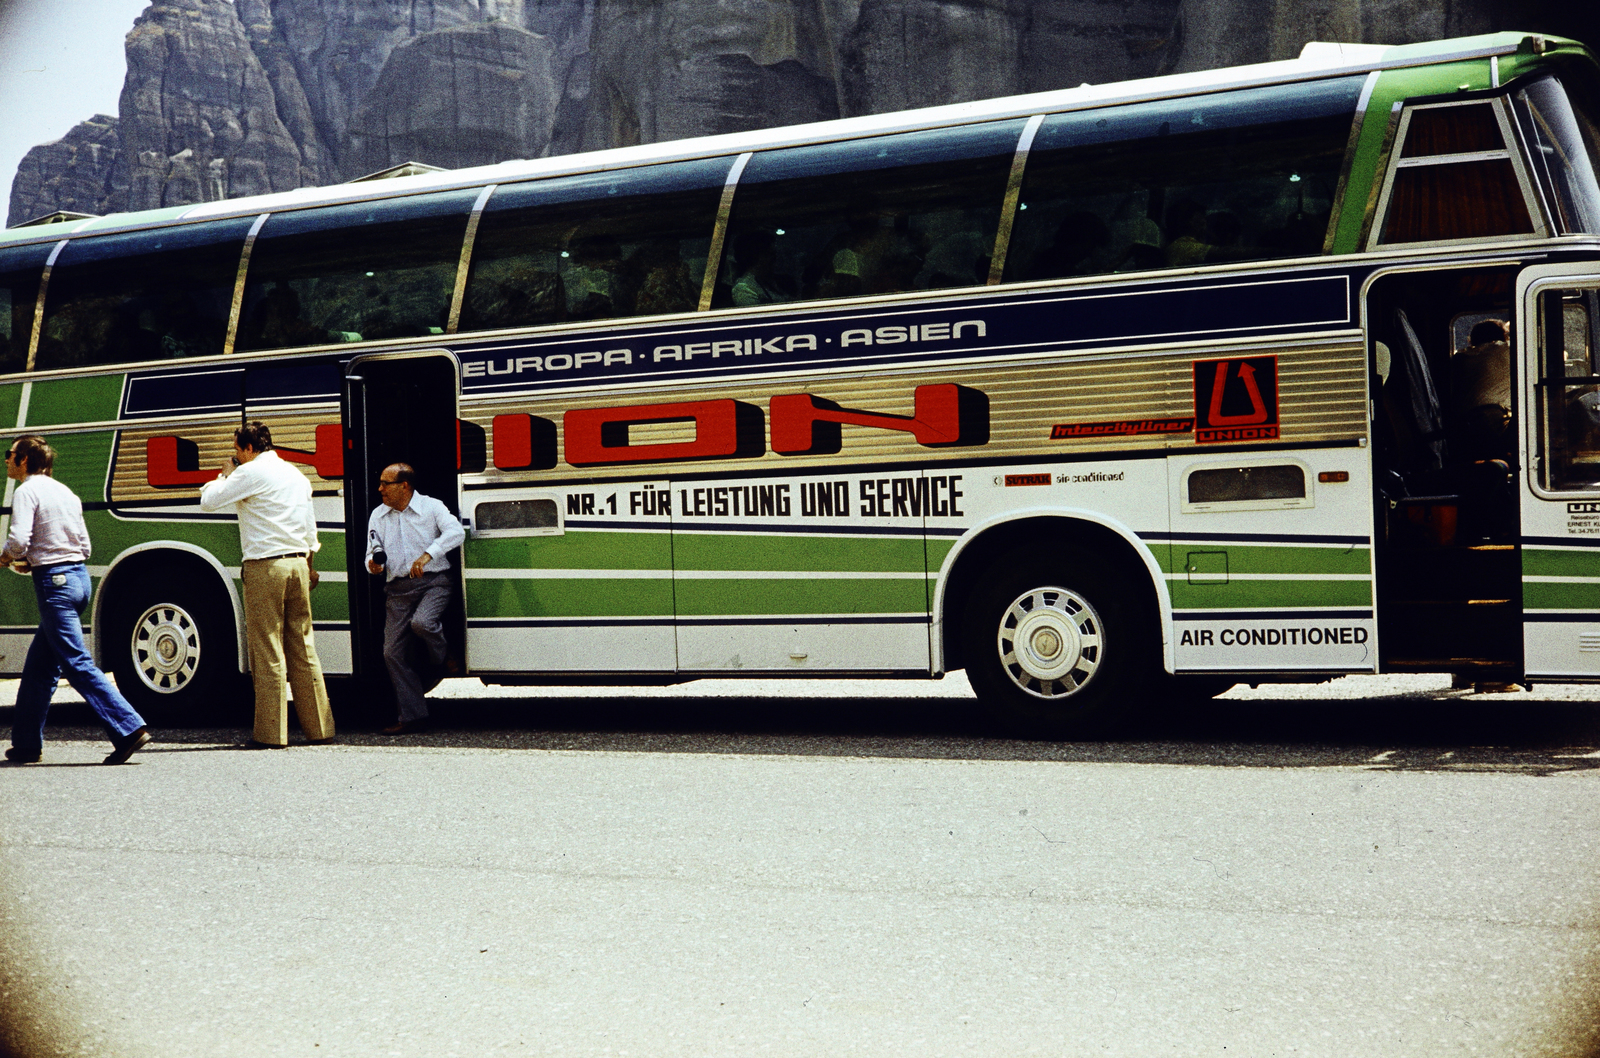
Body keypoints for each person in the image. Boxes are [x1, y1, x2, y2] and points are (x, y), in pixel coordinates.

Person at [2, 435, 150, 765]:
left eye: (9, 455)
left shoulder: (26, 490)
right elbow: (83, 547)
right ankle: (26, 743)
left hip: (55, 585)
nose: (7, 461)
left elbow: (18, 538)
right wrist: (36, 559)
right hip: (77, 580)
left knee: (75, 663)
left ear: (25, 460)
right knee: (40, 667)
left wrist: (7, 557)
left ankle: (129, 728)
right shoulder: (65, 491)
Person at [199, 421, 335, 749]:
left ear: (248, 448)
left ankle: (271, 734)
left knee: (267, 647)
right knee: (302, 646)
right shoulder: (296, 475)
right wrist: (309, 567)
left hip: (266, 566)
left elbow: (209, 500)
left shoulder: (250, 472)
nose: (235, 455)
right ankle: (320, 728)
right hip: (298, 564)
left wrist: (226, 474)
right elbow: (309, 530)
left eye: (236, 450)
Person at [365, 463, 465, 735]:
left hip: (434, 583)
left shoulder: (431, 507)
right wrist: (372, 565)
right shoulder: (378, 515)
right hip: (397, 590)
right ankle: (413, 715)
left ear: (405, 485)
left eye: (386, 483)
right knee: (391, 653)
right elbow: (372, 551)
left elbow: (457, 532)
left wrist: (428, 555)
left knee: (422, 623)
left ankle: (442, 658)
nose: (380, 489)